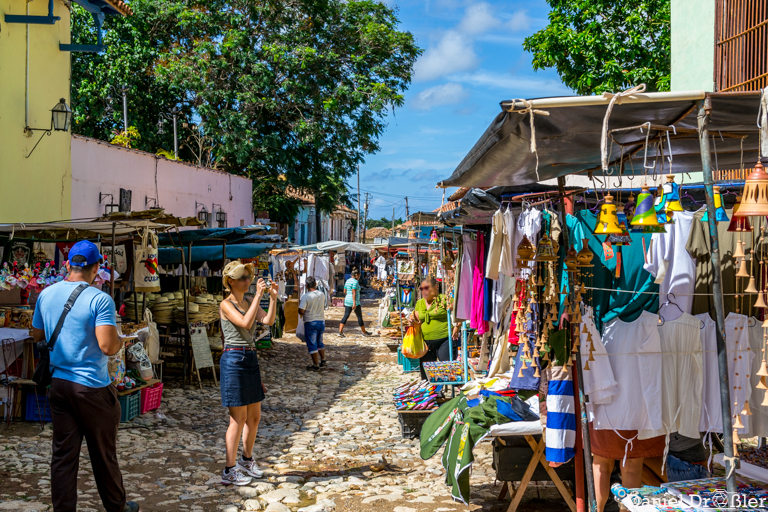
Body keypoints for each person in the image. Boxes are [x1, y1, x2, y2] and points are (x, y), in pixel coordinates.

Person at [31, 240, 140, 512]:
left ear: (67, 264)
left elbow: (37, 335)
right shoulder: (100, 299)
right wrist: (121, 341)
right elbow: (107, 345)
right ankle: (117, 507)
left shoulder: (47, 294)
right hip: (91, 387)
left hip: (59, 385)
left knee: (63, 456)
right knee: (104, 455)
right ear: (96, 268)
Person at [219, 260, 279, 486]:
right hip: (234, 359)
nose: (247, 281)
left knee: (254, 416)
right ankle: (229, 469)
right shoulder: (226, 304)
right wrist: (257, 297)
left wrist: (272, 298)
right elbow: (245, 323)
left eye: (248, 277)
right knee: (238, 418)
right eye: (243, 278)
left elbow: (268, 320)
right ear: (231, 281)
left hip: (250, 357)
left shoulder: (247, 301)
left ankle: (246, 459)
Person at [410, 277, 458, 381]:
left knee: (446, 369)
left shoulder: (444, 299)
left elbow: (459, 312)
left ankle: (442, 390)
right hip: (425, 342)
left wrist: (457, 327)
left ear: (435, 287)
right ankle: (432, 394)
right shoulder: (420, 303)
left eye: (426, 288)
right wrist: (412, 322)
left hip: (444, 339)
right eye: (421, 288)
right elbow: (418, 320)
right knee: (427, 373)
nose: (424, 291)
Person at [298, 276, 327, 371]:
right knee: (319, 342)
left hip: (311, 322)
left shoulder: (305, 297)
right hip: (321, 321)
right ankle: (323, 360)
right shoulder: (322, 294)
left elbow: (301, 311)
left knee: (312, 343)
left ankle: (315, 365)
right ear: (315, 284)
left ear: (306, 286)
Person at [338, 269, 370, 337]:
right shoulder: (355, 282)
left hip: (347, 300)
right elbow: (354, 292)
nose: (359, 277)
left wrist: (348, 296)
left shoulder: (347, 281)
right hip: (354, 302)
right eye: (359, 275)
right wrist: (354, 303)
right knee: (359, 317)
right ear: (356, 275)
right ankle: (364, 332)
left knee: (345, 316)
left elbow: (344, 291)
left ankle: (340, 332)